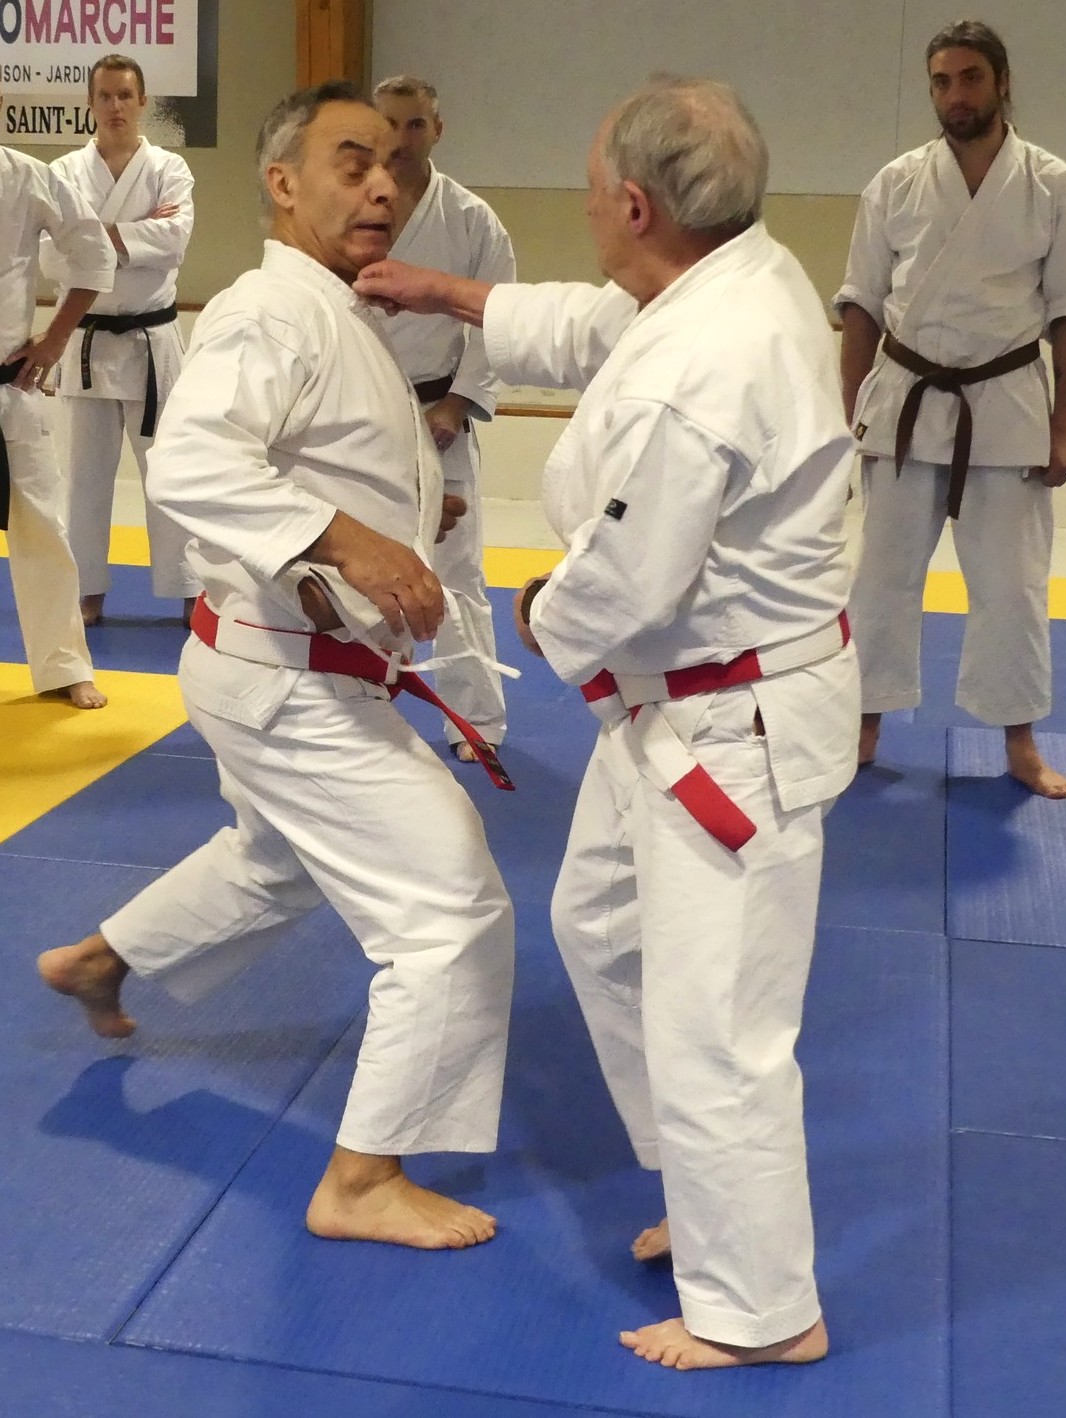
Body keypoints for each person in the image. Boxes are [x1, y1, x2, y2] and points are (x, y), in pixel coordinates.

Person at [361, 77, 859, 1369]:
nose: (585, 210)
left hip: (729, 724)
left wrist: (535, 609)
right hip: (681, 709)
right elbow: (602, 324)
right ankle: (709, 1188)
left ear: (634, 206)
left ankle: (763, 1311)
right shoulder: (734, 274)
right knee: (601, 927)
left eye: (591, 191)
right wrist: (449, 293)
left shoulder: (700, 370)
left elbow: (629, 581)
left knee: (720, 1028)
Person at [38, 82, 514, 1251]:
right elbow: (193, 463)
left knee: (275, 860)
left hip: (273, 659)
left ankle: (99, 959)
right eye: (352, 162)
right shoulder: (268, 309)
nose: (383, 185)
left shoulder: (330, 307)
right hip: (286, 678)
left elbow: (306, 454)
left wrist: (405, 507)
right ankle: (361, 1177)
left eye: (392, 164)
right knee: (450, 905)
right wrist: (352, 539)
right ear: (282, 182)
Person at [836, 19, 1066, 798]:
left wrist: (1064, 428)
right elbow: (860, 305)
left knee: (1013, 587)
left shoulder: (1055, 187)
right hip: (905, 402)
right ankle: (862, 725)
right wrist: (849, 417)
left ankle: (1020, 744)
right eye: (942, 81)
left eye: (970, 78)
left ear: (1002, 82)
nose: (955, 95)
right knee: (880, 581)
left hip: (1007, 404)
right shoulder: (895, 183)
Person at [371, 75, 516, 762]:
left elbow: (498, 319)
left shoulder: (471, 219)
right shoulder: (351, 207)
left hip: (438, 411)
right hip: (360, 413)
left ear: (437, 129)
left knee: (458, 574)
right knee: (359, 565)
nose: (400, 140)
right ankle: (360, 705)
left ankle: (476, 721)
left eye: (414, 125)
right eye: (388, 125)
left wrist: (458, 402)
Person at [41, 53, 200, 628]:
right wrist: (135, 235)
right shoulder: (63, 172)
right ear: (90, 102)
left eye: (125, 95)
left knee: (170, 471)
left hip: (152, 342)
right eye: (105, 96)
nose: (115, 106)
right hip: (85, 341)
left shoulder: (169, 168)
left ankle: (189, 590)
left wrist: (92, 238)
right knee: (83, 477)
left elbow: (174, 240)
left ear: (142, 101)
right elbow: (50, 255)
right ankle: (87, 591)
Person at [0, 122, 116, 710]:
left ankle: (65, 665)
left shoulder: (25, 177)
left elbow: (94, 254)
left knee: (44, 528)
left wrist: (55, 339)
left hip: (10, 385)